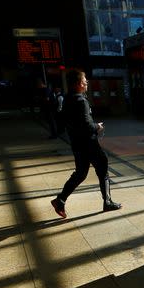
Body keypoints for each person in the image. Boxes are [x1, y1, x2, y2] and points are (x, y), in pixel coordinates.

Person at [50, 69, 121, 218]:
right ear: (78, 84)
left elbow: (63, 120)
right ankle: (107, 202)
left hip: (76, 143)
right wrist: (98, 126)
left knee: (81, 173)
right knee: (103, 166)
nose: (86, 82)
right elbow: (87, 126)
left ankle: (60, 200)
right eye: (84, 80)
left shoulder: (68, 98)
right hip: (89, 143)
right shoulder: (81, 101)